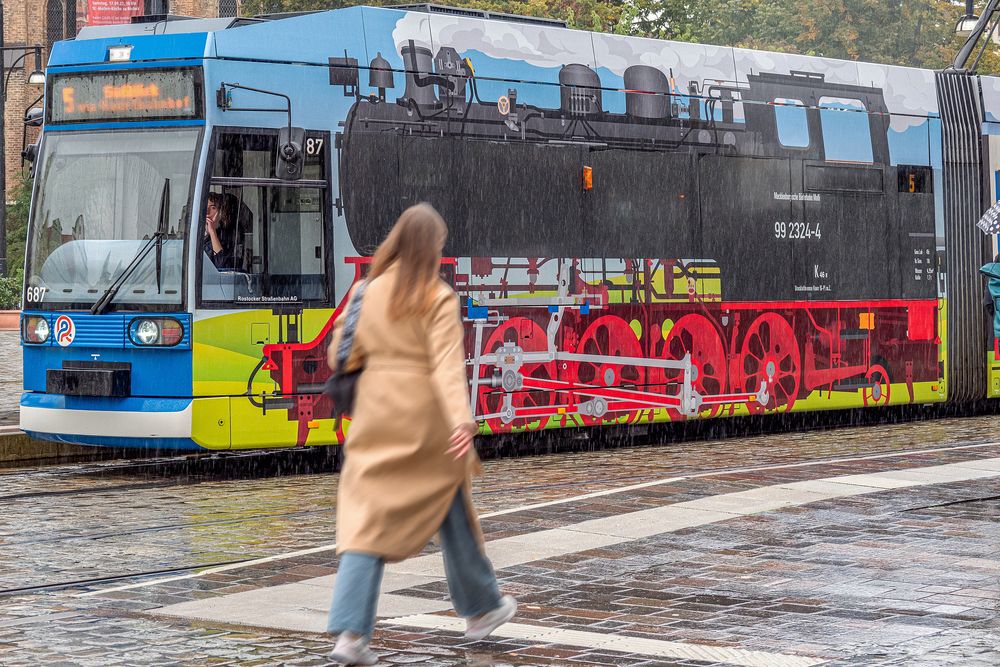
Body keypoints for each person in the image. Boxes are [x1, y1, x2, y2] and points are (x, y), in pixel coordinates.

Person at [326, 203, 516, 665]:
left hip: (375, 418)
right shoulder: (438, 297)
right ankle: (480, 608)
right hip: (427, 424)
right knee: (451, 508)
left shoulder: (366, 292)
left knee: (364, 524)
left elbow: (339, 355)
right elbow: (449, 369)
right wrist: (461, 421)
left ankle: (350, 635)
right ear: (432, 249)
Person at [203, 192, 247, 270]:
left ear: (220, 212)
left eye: (213, 208)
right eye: (205, 207)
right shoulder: (199, 233)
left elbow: (221, 264)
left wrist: (212, 232)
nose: (207, 212)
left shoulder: (227, 234)